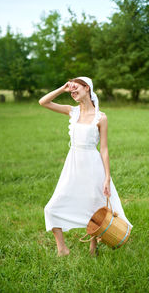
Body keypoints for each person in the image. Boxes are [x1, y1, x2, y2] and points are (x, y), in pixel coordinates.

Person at [38, 76, 133, 257]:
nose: (73, 93)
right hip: (72, 163)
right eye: (71, 91)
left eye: (76, 90)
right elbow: (43, 102)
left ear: (87, 88)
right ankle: (62, 249)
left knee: (94, 206)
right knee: (51, 207)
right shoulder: (71, 111)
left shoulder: (101, 118)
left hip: (92, 164)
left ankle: (93, 247)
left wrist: (107, 177)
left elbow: (104, 149)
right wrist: (63, 88)